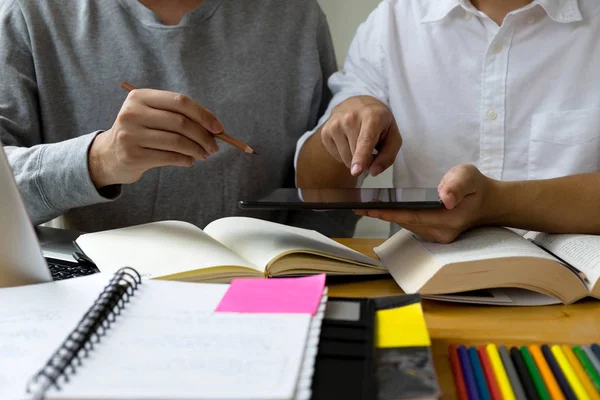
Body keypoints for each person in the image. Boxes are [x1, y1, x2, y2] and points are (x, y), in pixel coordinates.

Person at [0, 0, 358, 237]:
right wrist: (98, 160)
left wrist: (299, 273)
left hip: (267, 294)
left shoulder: (296, 16)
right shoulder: (30, 14)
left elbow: (329, 189)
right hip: (98, 296)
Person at [296, 0, 600, 242]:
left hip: (577, 301)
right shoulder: (393, 21)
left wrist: (496, 204)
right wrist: (349, 121)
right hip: (423, 294)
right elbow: (315, 191)